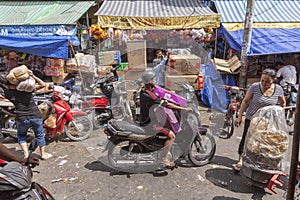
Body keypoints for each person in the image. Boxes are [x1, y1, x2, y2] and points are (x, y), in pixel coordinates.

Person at [233, 68, 286, 172]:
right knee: (246, 139)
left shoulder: (278, 89)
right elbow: (245, 101)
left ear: (274, 80)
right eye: (262, 80)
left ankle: (257, 162)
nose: (264, 83)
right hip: (252, 119)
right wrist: (239, 117)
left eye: (267, 82)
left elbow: (282, 103)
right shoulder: (255, 87)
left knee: (262, 143)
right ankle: (240, 159)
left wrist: (280, 116)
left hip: (267, 121)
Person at [139, 71, 192, 167]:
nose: (156, 81)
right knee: (171, 136)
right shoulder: (150, 95)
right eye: (154, 79)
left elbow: (160, 92)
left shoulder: (145, 90)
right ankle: (163, 159)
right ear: (150, 81)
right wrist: (183, 108)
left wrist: (171, 94)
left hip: (146, 119)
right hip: (150, 124)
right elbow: (166, 104)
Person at [0, 71, 52, 160]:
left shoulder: (7, 92)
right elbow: (43, 84)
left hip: (22, 117)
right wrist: (33, 76)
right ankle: (43, 154)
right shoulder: (27, 88)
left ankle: (26, 155)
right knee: (40, 135)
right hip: (35, 115)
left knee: (21, 136)